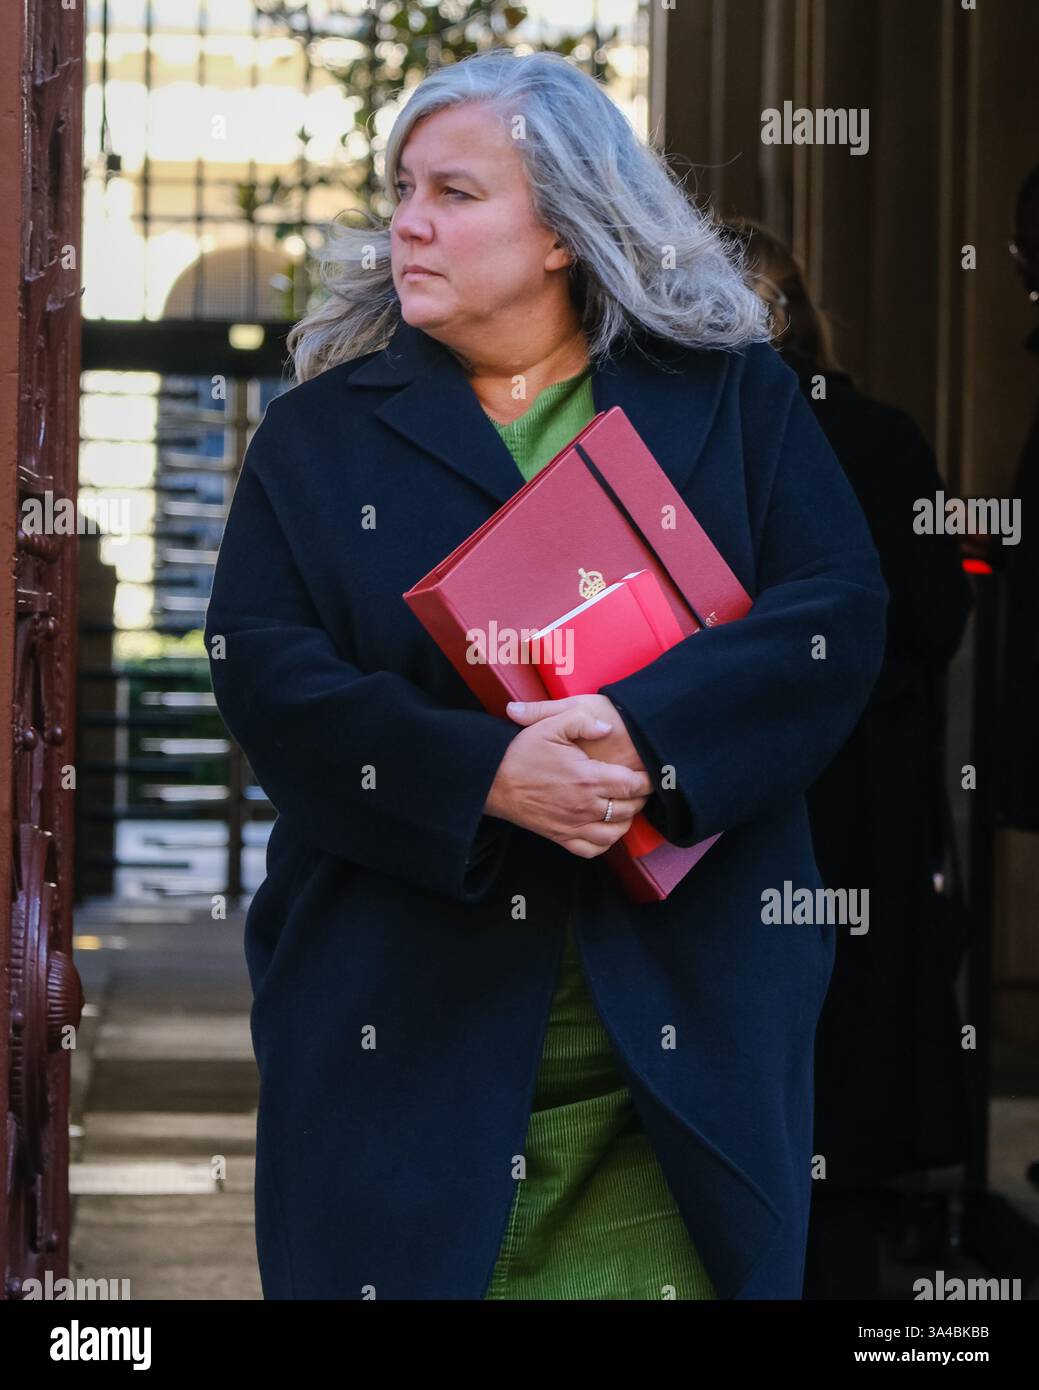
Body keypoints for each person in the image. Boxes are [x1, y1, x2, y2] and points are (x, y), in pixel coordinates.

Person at [204, 49, 888, 1300]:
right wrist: (487, 776)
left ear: (567, 229)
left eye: (455, 193)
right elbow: (265, 671)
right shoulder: (319, 432)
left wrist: (647, 738)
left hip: (683, 1026)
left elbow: (833, 615)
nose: (408, 221)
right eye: (402, 187)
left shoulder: (731, 401)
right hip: (400, 1018)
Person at [722, 216, 974, 1298]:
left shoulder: (685, 438)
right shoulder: (882, 435)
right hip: (864, 811)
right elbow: (934, 614)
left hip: (730, 810)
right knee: (852, 1093)